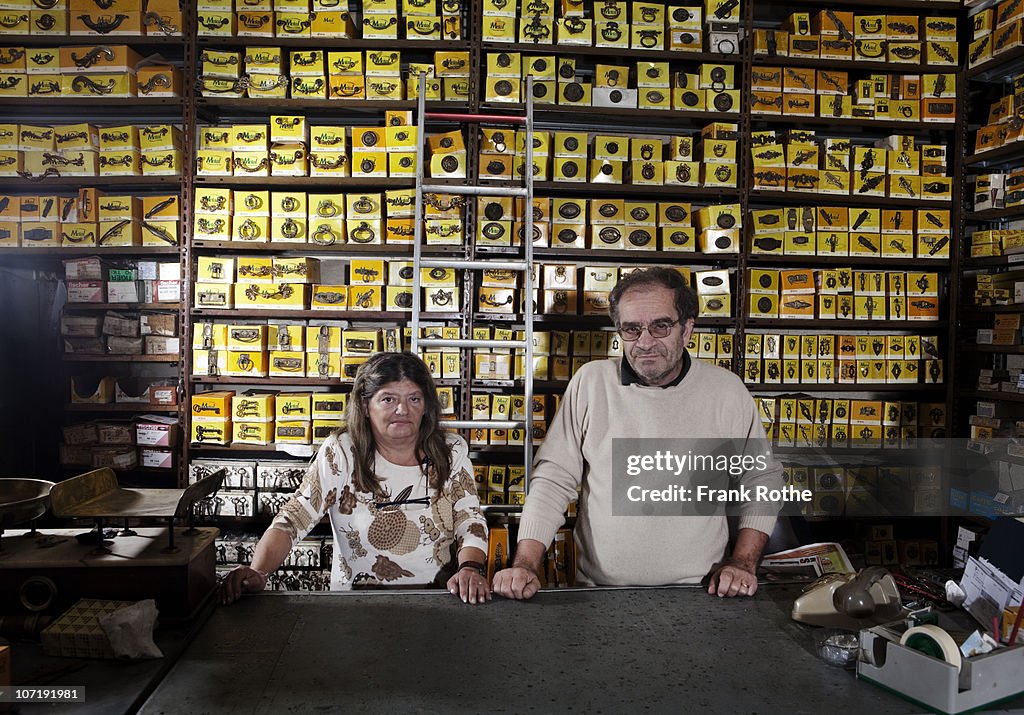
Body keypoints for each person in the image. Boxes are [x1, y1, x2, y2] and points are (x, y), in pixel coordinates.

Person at [493, 267, 784, 600]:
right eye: (631, 329)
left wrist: (743, 563)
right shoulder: (591, 383)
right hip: (599, 597)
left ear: (687, 330)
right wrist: (526, 564)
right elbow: (553, 480)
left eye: (660, 326)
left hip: (702, 594)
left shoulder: (726, 391)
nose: (645, 342)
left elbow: (760, 479)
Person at [220, 351, 491, 605]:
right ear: (364, 405)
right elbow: (295, 517)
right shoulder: (342, 452)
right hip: (357, 605)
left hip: (439, 600)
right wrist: (259, 571)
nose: (402, 410)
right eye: (388, 399)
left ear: (426, 406)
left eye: (414, 398)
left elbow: (470, 520)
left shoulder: (451, 451)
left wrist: (469, 568)